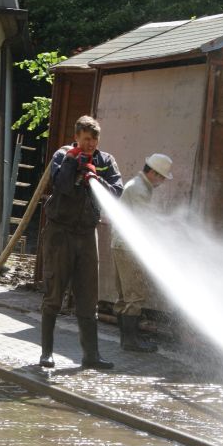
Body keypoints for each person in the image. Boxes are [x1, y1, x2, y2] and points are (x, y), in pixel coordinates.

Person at [38, 115, 123, 370]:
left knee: (88, 297)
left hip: (87, 234)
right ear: (76, 137)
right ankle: (46, 354)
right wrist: (74, 162)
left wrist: (95, 177)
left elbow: (117, 192)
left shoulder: (105, 161)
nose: (90, 144)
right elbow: (61, 186)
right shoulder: (62, 156)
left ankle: (91, 356)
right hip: (60, 233)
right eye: (86, 139)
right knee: (54, 294)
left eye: (94, 139)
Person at [112, 153, 172, 353]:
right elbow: (143, 222)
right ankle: (130, 341)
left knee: (124, 296)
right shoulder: (139, 189)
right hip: (129, 248)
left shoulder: (138, 185)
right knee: (134, 296)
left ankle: (127, 339)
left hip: (121, 245)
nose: (162, 182)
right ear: (153, 173)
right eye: (162, 177)